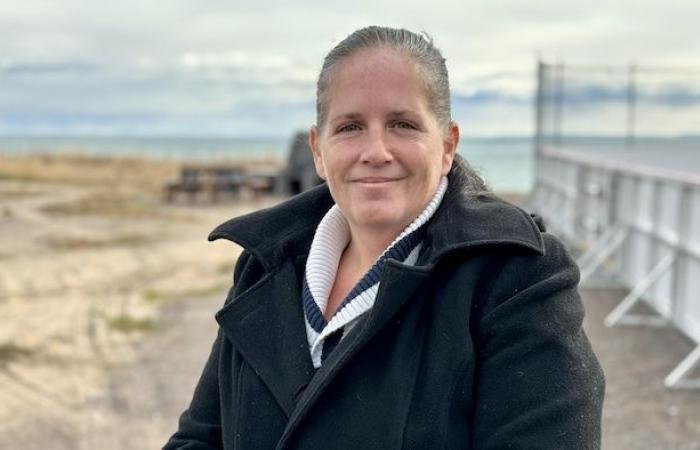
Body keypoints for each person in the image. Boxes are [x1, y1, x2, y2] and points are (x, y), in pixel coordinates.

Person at [164, 26, 605, 449]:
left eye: (403, 124)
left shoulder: (516, 278)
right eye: (350, 127)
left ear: (448, 145)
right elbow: (200, 439)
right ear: (318, 150)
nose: (375, 152)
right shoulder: (264, 267)